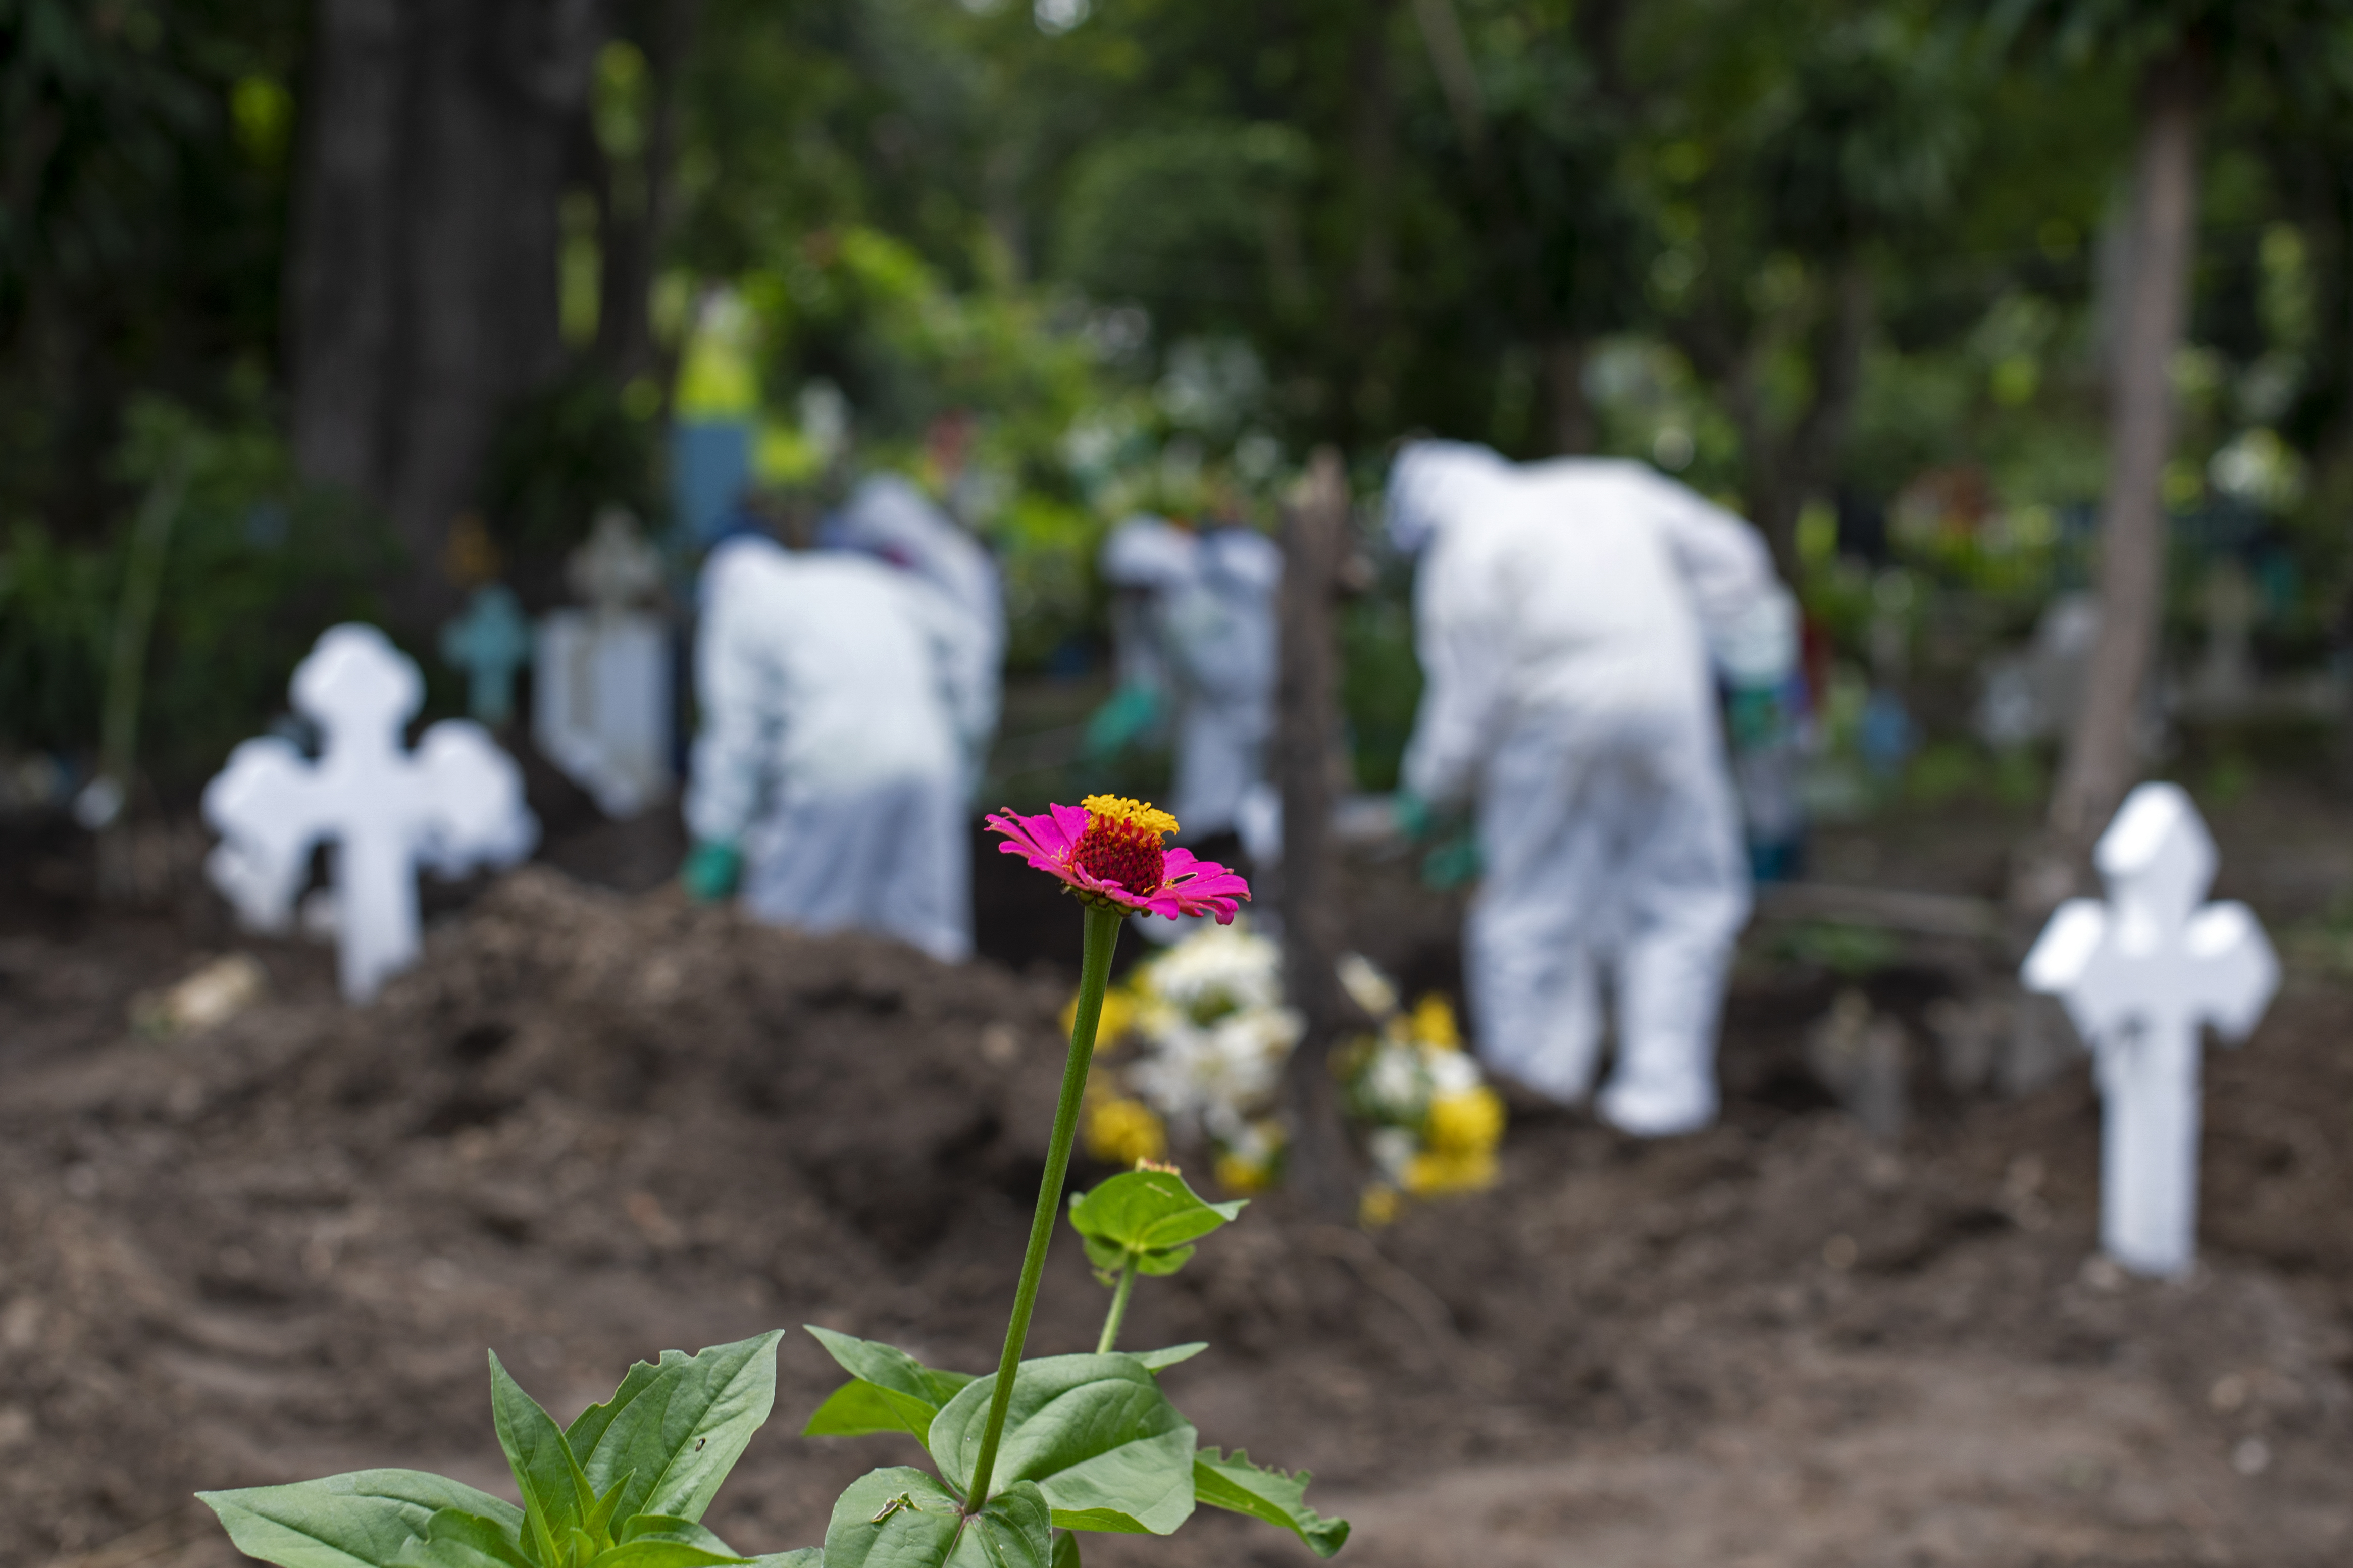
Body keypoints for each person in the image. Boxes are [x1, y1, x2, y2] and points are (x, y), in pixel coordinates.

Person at [1386, 440, 1794, 1136]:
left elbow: (1467, 699)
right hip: (1669, 703)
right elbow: (1733, 554)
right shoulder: (1613, 485)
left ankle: (1536, 1089)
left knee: (1532, 905)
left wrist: (1434, 790)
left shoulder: (1466, 547)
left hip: (1550, 726)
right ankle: (1663, 1096)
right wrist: (1754, 660)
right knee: (1681, 895)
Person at [680, 531, 984, 962]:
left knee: (790, 940)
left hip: (830, 769)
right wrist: (965, 746)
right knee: (927, 945)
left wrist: (720, 832)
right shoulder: (860, 578)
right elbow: (968, 645)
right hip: (928, 765)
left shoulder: (739, 609)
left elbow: (736, 732)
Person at [1094, 510, 1281, 845]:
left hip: (1262, 706)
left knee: (1268, 809)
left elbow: (1229, 668)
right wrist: (1138, 703)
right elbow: (1147, 667)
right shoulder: (1149, 609)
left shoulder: (1209, 586)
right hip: (1210, 715)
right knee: (1206, 811)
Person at [819, 471, 1004, 796]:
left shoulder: (954, 570)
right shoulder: (910, 564)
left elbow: (973, 663)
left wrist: (966, 733)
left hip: (943, 724)